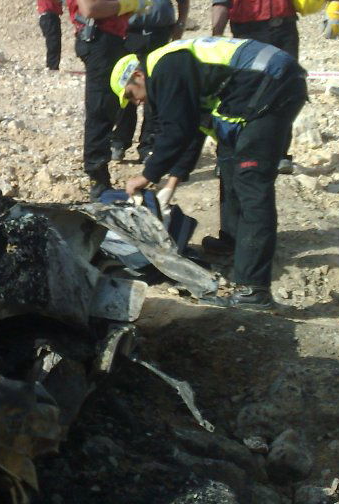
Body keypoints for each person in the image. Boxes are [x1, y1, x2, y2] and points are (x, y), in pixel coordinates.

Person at [115, 37, 307, 308]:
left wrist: (147, 175)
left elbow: (177, 130)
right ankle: (234, 242)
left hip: (270, 83)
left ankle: (254, 288)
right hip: (257, 85)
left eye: (130, 95)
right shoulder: (173, 70)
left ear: (137, 75)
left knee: (251, 181)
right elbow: (191, 130)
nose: (135, 103)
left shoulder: (164, 68)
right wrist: (171, 184)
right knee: (229, 162)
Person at [211, 0, 339, 173]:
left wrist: (335, 7)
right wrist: (215, 39)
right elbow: (221, 0)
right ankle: (232, 154)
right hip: (247, 36)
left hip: (283, 33)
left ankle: (279, 154)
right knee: (241, 95)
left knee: (283, 94)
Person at [65, 0, 151, 200]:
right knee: (100, 108)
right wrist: (126, 4)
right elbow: (89, 7)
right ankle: (97, 178)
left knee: (111, 105)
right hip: (98, 41)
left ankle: (100, 171)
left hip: (110, 40)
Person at [109, 0, 191, 162]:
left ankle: (148, 144)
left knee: (155, 91)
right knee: (127, 90)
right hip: (127, 37)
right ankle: (119, 141)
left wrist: (180, 25)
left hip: (159, 37)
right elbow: (105, 2)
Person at [35, 0, 64, 70]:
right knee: (52, 41)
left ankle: (54, 66)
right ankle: (52, 67)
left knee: (56, 41)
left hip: (53, 16)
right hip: (48, 16)